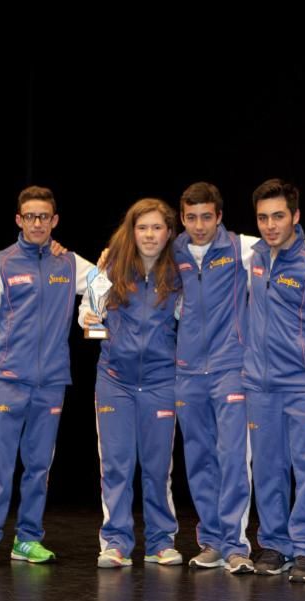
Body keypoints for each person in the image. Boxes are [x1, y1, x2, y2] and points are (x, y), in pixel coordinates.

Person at [173, 183, 305, 573]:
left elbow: (290, 240)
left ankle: (242, 544)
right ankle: (215, 540)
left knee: (236, 461)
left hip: (235, 370)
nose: (199, 225)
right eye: (191, 217)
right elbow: (125, 258)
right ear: (181, 219)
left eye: (206, 216)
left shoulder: (243, 248)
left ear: (220, 217)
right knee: (202, 461)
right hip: (191, 373)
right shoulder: (171, 250)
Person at [0, 186, 93, 567]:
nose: (37, 223)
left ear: (54, 221)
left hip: (51, 382)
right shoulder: (0, 264)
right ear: (19, 220)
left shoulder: (69, 263)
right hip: (7, 378)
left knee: (39, 467)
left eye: (44, 217)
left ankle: (27, 539)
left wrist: (89, 314)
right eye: (30, 217)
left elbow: (105, 283)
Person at [243, 179, 305, 583]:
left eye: (279, 216)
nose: (270, 225)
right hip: (260, 386)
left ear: (296, 217)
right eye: (263, 217)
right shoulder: (250, 254)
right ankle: (275, 544)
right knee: (267, 468)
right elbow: (201, 243)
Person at [82, 198, 182, 568]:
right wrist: (98, 329)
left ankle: (160, 542)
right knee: (117, 465)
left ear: (169, 232)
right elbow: (87, 321)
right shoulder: (108, 267)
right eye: (143, 227)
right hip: (115, 382)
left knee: (157, 467)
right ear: (132, 231)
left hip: (161, 381)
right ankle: (116, 542)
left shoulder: (178, 273)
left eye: (157, 227)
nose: (150, 235)